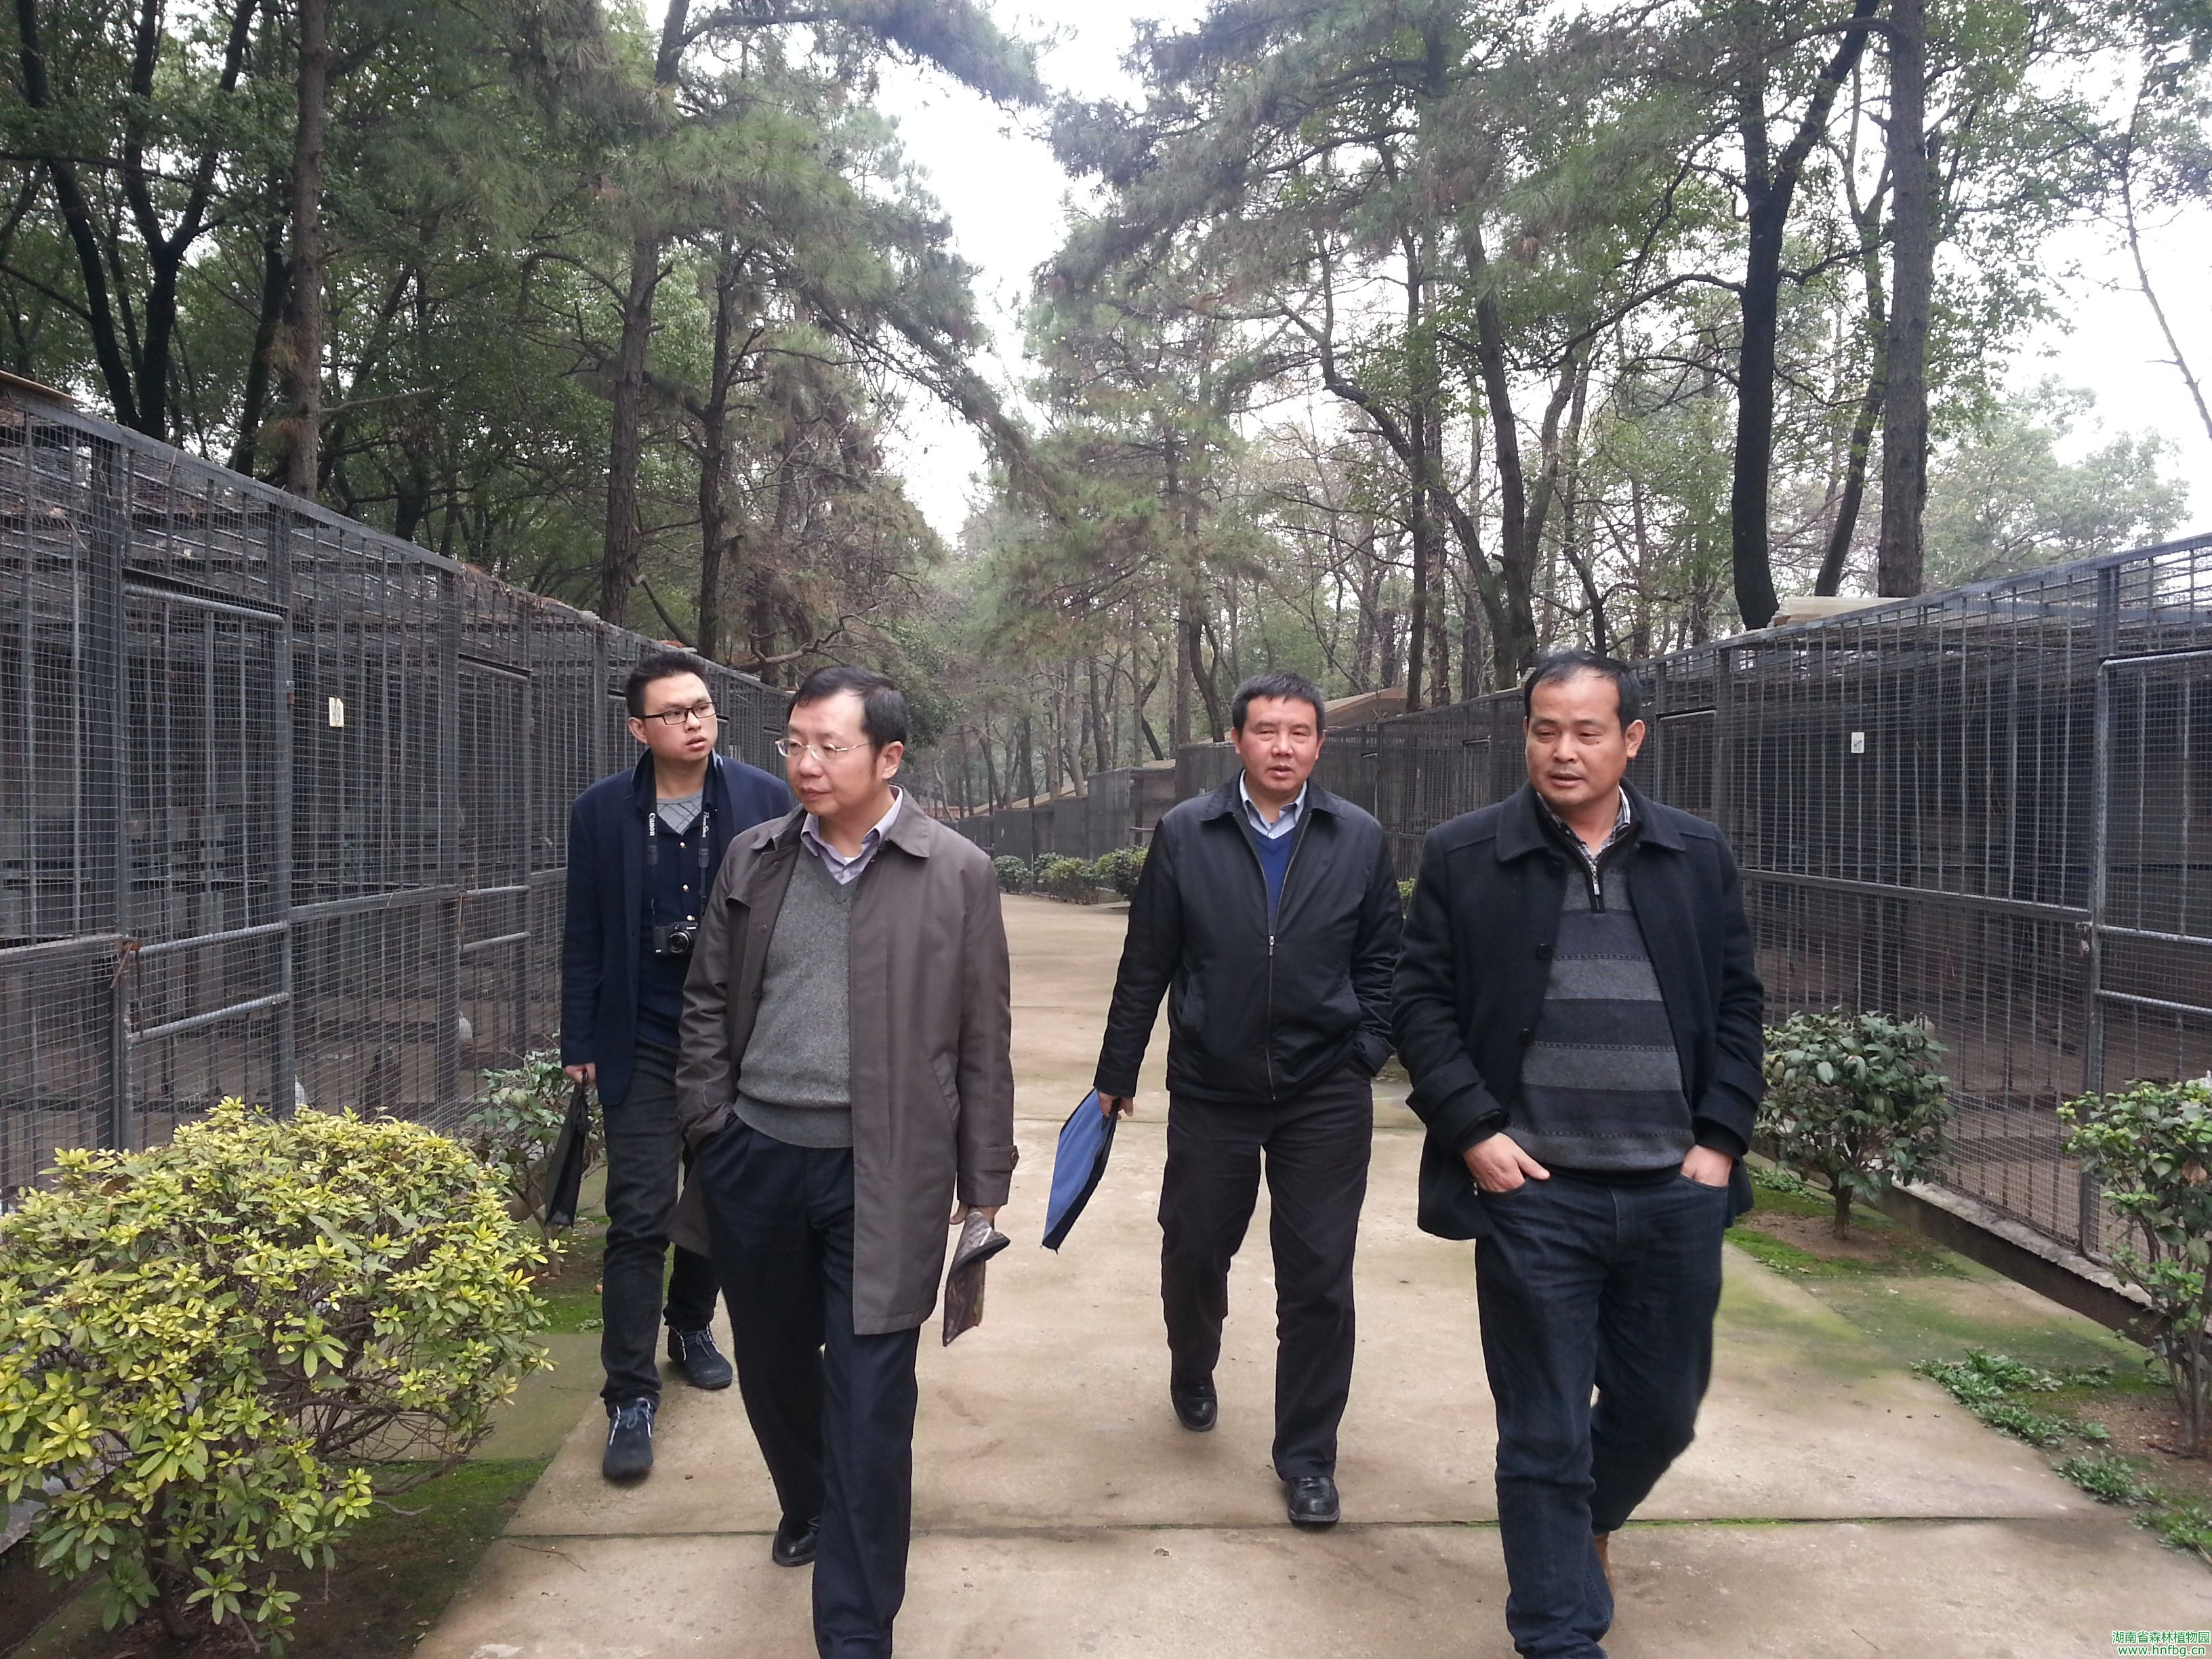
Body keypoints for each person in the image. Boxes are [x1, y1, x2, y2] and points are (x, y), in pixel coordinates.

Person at [1392, 649, 1763, 1659]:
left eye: (1587, 731)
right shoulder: (1468, 855)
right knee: (1544, 1430)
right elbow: (1419, 1003)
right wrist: (1474, 1132)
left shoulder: (1695, 853)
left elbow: (1739, 1003)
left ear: (1631, 739)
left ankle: (1582, 1523)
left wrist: (1720, 1141)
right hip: (1536, 1193)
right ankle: (1559, 1631)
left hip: (1674, 1190)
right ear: (1527, 736)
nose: (1564, 750)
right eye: (1545, 729)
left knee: (1661, 1412)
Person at [672, 663, 1015, 1659]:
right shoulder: (755, 858)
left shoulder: (955, 872)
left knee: (870, 1402)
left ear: (888, 757)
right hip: (757, 1161)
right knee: (774, 1369)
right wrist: (710, 1124)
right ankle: (810, 1499)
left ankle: (857, 1631)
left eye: (831, 746)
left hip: (887, 1174)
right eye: (795, 744)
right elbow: (706, 999)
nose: (806, 764)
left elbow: (984, 1039)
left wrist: (982, 1186)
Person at [1092, 668, 1402, 1530]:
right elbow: (1147, 960)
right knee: (1194, 1249)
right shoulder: (1187, 832)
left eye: (1299, 733)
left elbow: (1385, 960)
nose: (1282, 747)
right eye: (1266, 731)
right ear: (1237, 740)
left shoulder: (1358, 836)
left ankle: (1307, 1457)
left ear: (1319, 744)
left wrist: (1367, 1052)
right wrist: (1117, 1074)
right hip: (1212, 1086)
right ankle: (1192, 1363)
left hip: (1324, 1092)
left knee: (1320, 1279)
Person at [560, 649, 793, 1483]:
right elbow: (584, 932)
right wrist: (580, 1041)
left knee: (719, 1200)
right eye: (674, 713)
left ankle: (691, 1325)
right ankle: (629, 1393)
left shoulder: (766, 799)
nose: (694, 723)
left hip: (734, 1042)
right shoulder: (601, 813)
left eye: (701, 708)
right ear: (639, 729)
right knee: (638, 1215)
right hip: (643, 1037)